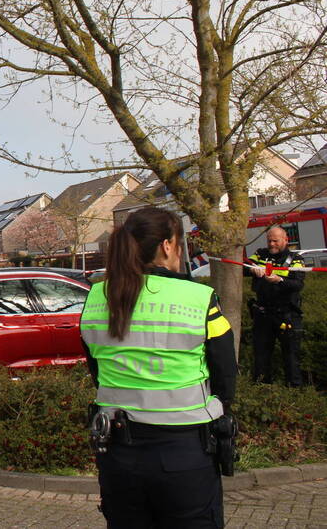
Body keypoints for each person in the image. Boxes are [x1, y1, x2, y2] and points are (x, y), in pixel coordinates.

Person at [80, 207, 236, 529]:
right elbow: (225, 374)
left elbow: (96, 369)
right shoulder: (199, 297)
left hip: (117, 452)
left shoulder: (97, 296)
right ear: (167, 245)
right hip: (185, 454)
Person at [244, 226, 305, 387]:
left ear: (285, 240)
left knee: (291, 358)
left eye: (275, 241)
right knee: (261, 357)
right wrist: (252, 269)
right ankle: (263, 391)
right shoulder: (260, 254)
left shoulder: (295, 259)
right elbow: (243, 265)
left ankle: (295, 392)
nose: (271, 244)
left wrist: (279, 280)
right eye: (269, 240)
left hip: (288, 314)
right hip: (263, 314)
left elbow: (298, 283)